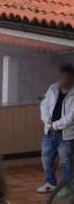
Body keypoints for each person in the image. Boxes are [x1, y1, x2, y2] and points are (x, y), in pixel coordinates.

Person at [38, 65, 74, 193]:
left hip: (66, 135)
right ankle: (50, 183)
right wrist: (47, 122)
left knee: (66, 162)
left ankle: (65, 188)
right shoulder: (53, 88)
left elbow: (71, 117)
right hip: (49, 133)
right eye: (63, 77)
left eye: (68, 78)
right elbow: (44, 106)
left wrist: (55, 125)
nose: (65, 80)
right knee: (46, 158)